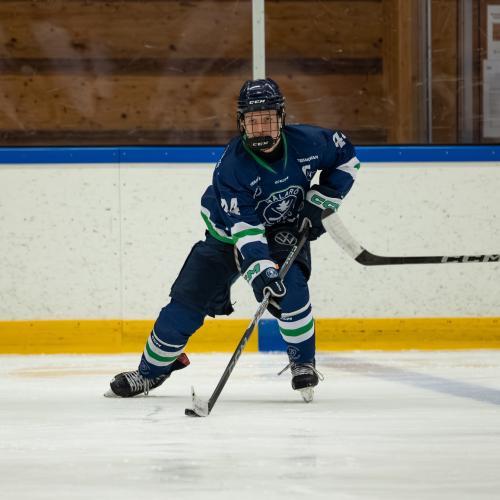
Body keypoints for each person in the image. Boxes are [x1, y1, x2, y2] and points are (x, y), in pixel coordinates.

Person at [105, 78, 360, 402]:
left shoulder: (310, 142)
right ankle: (150, 372)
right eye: (253, 121)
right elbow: (246, 233)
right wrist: (262, 271)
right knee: (184, 307)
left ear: (281, 117)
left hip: (282, 229)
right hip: (226, 235)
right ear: (241, 123)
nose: (261, 128)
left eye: (267, 119)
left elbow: (347, 158)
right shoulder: (232, 167)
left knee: (291, 290)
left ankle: (303, 363)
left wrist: (322, 199)